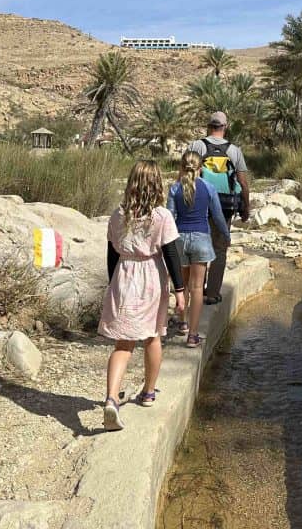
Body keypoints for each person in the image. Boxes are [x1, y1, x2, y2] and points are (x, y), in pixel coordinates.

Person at [99, 160, 185, 432]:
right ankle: (148, 392)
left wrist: (113, 283)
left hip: (124, 275)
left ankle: (111, 398)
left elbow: (112, 253)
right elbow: (171, 254)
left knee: (123, 345)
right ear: (157, 184)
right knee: (152, 336)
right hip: (150, 277)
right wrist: (180, 291)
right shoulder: (161, 217)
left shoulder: (118, 215)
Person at [167, 150, 232, 347]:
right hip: (202, 240)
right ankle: (193, 335)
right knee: (197, 288)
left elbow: (169, 217)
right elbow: (218, 217)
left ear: (181, 167)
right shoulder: (209, 188)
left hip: (179, 239)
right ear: (201, 168)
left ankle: (182, 322)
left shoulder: (174, 188)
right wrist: (226, 235)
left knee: (182, 285)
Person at [188, 111, 250, 304]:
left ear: (209, 126)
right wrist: (246, 207)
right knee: (220, 249)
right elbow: (243, 182)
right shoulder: (234, 150)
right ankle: (213, 293)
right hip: (225, 207)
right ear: (225, 127)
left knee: (198, 249)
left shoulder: (196, 146)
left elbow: (185, 176)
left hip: (198, 205)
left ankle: (195, 292)